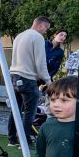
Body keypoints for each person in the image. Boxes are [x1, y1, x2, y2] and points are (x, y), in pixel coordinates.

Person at [25, 76, 77, 157]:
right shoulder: (46, 126)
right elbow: (40, 155)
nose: (56, 104)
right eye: (53, 100)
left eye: (64, 100)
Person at [8, 16, 52, 147]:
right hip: (27, 78)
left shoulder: (19, 36)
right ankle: (24, 141)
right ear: (41, 25)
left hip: (14, 76)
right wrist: (48, 81)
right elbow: (40, 62)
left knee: (15, 109)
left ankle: (12, 139)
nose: (45, 31)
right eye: (46, 28)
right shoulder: (38, 37)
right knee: (30, 111)